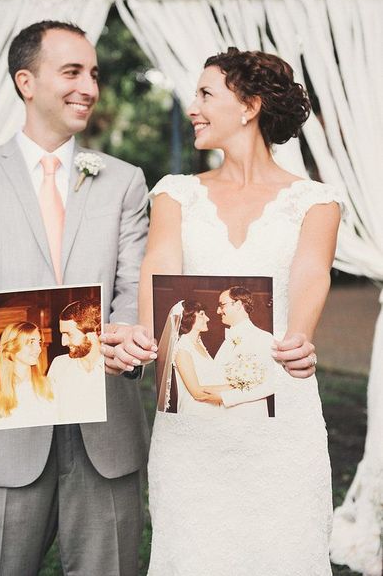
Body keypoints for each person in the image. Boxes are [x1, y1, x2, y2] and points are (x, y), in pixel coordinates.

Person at [0, 20, 150, 576]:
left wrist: (125, 337)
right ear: (26, 81)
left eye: (93, 74)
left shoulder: (124, 181)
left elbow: (134, 287)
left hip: (105, 434)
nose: (89, 87)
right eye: (72, 72)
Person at [105, 47, 342, 575]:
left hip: (281, 417)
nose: (193, 106)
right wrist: (146, 337)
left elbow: (310, 274)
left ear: (250, 106)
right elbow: (158, 270)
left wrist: (299, 337)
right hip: (193, 427)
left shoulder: (316, 201)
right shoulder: (174, 194)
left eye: (206, 94)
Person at [214, 286, 276, 418]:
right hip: (220, 416)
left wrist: (227, 397)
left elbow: (271, 384)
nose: (218, 311)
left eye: (221, 305)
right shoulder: (227, 340)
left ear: (237, 304)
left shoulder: (263, 338)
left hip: (249, 416)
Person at [47, 299, 106, 424]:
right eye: (62, 334)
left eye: (69, 334)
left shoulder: (113, 366)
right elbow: (49, 412)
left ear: (93, 332)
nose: (63, 342)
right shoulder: (59, 365)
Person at [0, 321, 54, 430]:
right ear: (12, 346)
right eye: (31, 342)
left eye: (39, 342)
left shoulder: (49, 385)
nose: (38, 349)